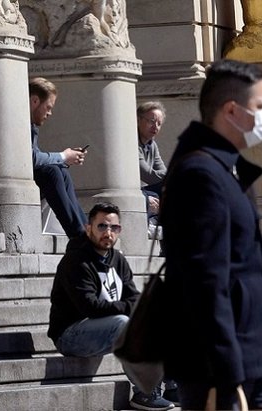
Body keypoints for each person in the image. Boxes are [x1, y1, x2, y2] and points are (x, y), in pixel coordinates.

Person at [159, 60, 262, 410]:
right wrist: (226, 370)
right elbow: (204, 279)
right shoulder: (199, 174)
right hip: (220, 365)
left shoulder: (224, 167)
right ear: (232, 110)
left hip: (248, 358)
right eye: (260, 106)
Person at [47, 202, 174, 411]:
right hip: (70, 335)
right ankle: (145, 393)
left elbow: (133, 297)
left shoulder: (118, 259)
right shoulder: (77, 261)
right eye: (102, 226)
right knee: (124, 323)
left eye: (114, 228)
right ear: (89, 228)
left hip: (105, 329)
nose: (108, 232)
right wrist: (129, 308)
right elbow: (90, 307)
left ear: (119, 230)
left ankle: (172, 385)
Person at [29, 77, 88, 238]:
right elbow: (31, 159)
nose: (50, 113)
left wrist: (64, 160)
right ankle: (79, 236)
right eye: (48, 107)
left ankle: (86, 231)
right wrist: (63, 156)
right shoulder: (19, 122)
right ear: (35, 101)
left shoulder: (31, 125)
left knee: (60, 171)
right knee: (52, 172)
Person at [137, 101, 167, 224]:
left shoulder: (152, 144)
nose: (156, 127)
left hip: (147, 190)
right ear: (138, 120)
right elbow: (149, 175)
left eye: (159, 123)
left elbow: (162, 172)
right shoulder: (131, 141)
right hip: (136, 191)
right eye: (151, 121)